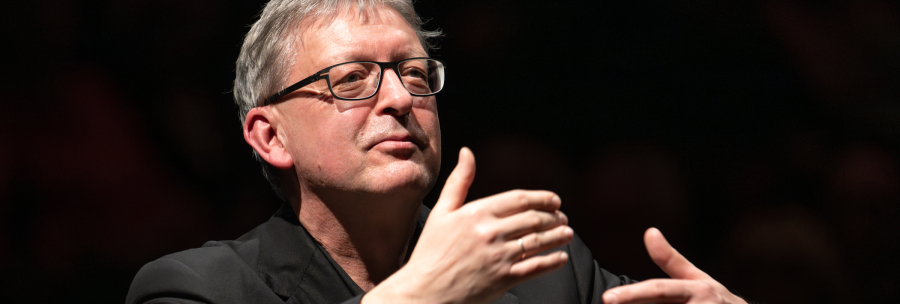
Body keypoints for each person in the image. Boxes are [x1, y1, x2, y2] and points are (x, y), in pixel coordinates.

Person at [126, 0, 749, 303]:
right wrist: (423, 295)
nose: (398, 98)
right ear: (270, 136)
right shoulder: (196, 290)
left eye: (417, 74)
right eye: (351, 79)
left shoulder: (542, 273)